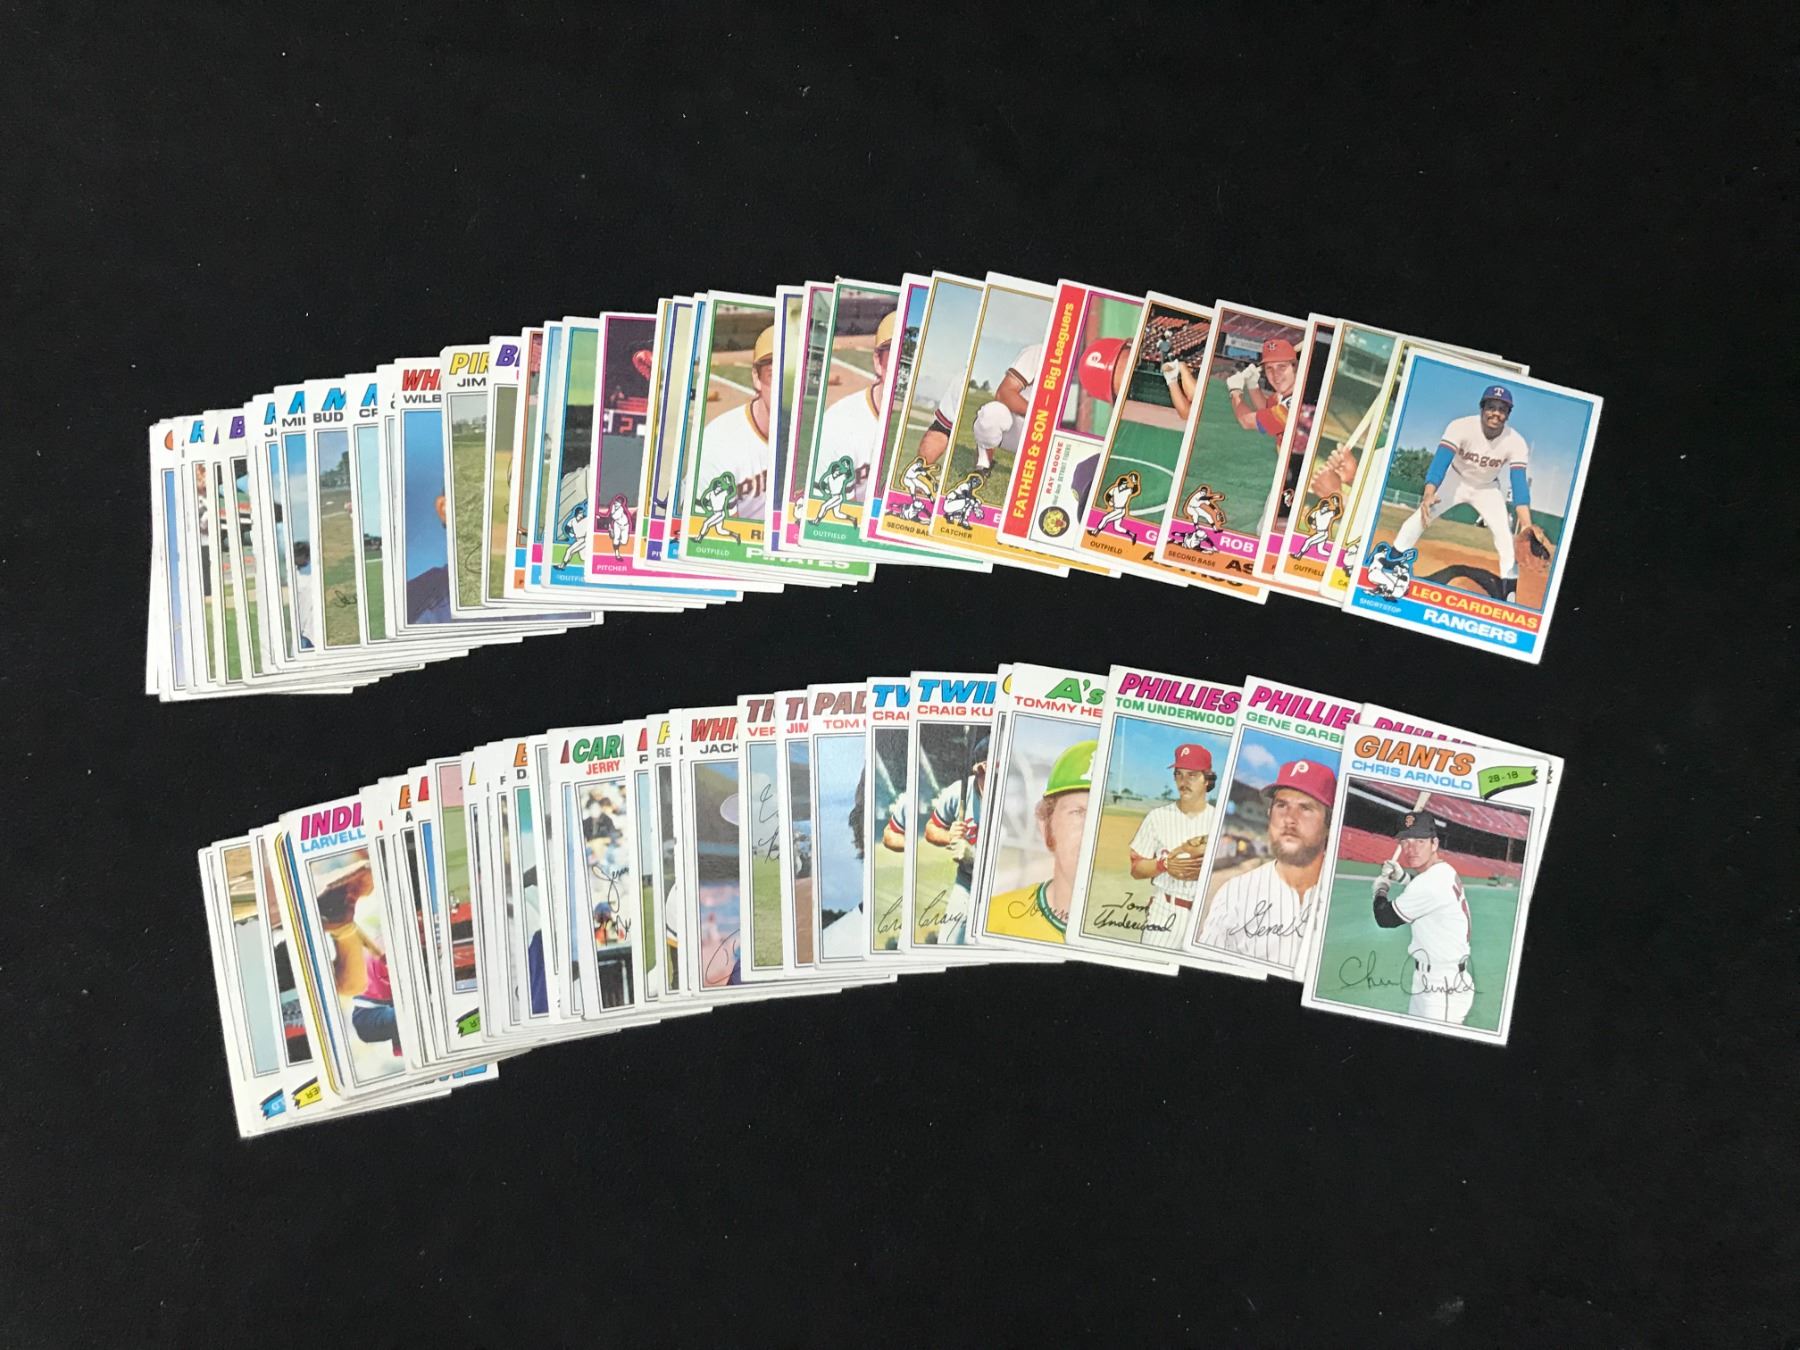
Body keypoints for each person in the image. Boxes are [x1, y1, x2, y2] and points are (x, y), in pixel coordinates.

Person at [1387, 384, 1534, 601]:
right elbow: (1440, 462)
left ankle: (1509, 592)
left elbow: (1519, 483)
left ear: (1508, 414)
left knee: (1504, 535)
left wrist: (1527, 525)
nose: (1496, 413)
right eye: (1491, 407)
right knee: (1420, 518)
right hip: (1454, 481)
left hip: (1487, 488)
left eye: (1502, 409)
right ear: (1482, 408)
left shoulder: (1516, 441)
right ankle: (1389, 564)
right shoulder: (1461, 427)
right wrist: (1429, 493)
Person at [1195, 758, 1335, 968]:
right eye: (1281, 805)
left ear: (1329, 823)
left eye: (1305, 808)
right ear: (1269, 814)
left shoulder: (1343, 900)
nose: (1289, 819)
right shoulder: (1233, 893)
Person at [986, 739, 1096, 943]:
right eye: (1079, 813)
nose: (1094, 831)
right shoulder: (992, 920)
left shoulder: (1154, 935)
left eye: (1109, 814)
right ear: (1046, 827)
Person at [1371, 812, 1475, 1024]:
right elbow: (1427, 895)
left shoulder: (1429, 883)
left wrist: (1380, 889)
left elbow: (1385, 918)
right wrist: (1402, 877)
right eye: (1405, 841)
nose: (1412, 849)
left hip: (1442, 986)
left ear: (1434, 843)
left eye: (1420, 841)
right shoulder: (1444, 870)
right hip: (1434, 978)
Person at [1127, 743, 1219, 947]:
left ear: (1207, 780)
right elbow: (1136, 869)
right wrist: (1163, 864)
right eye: (1179, 774)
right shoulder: (1157, 817)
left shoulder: (1219, 821)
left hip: (1208, 915)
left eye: (1192, 775)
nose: (1183, 782)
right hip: (1166, 910)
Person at [916, 338, 1044, 473]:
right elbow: (1004, 393)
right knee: (991, 413)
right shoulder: (1039, 352)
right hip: (1023, 428)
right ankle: (982, 468)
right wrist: (1042, 416)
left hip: (1051, 441)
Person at [814, 310, 896, 514]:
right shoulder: (839, 423)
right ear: (878, 362)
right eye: (896, 357)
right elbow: (832, 518)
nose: (904, 369)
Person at [698, 323, 775, 525]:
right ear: (757, 378)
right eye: (775, 375)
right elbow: (715, 536)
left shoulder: (819, 434)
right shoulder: (720, 444)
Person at [920, 735, 988, 943]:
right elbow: (931, 830)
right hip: (967, 883)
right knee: (948, 943)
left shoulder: (1014, 799)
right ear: (981, 768)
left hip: (1002, 888)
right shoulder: (958, 792)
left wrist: (972, 855)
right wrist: (949, 836)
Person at [1225, 337, 1301, 439]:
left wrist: (1235, 391)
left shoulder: (1294, 406)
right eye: (1269, 368)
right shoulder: (1285, 395)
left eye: (1282, 367)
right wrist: (1253, 385)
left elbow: (1246, 422)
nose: (1275, 375)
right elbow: (1265, 408)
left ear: (1295, 367)